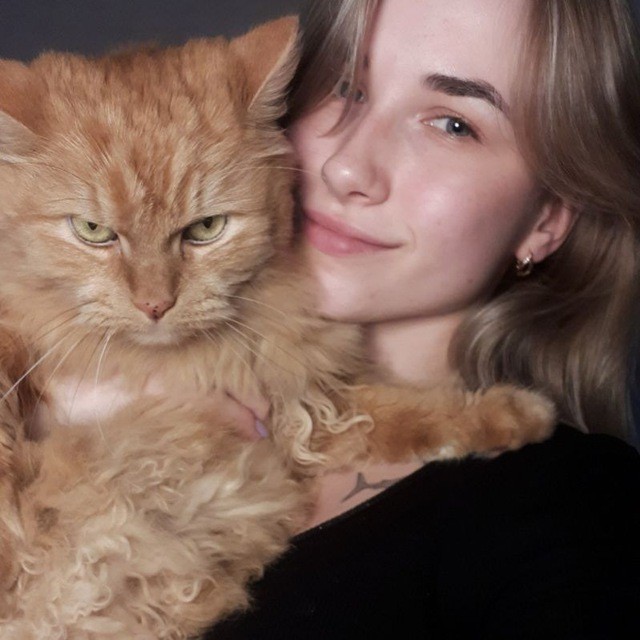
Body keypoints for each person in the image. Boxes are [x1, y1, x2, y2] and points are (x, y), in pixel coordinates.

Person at [209, 0, 640, 637]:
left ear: (548, 218)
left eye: (453, 125)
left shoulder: (578, 513)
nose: (345, 166)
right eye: (345, 85)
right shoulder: (96, 405)